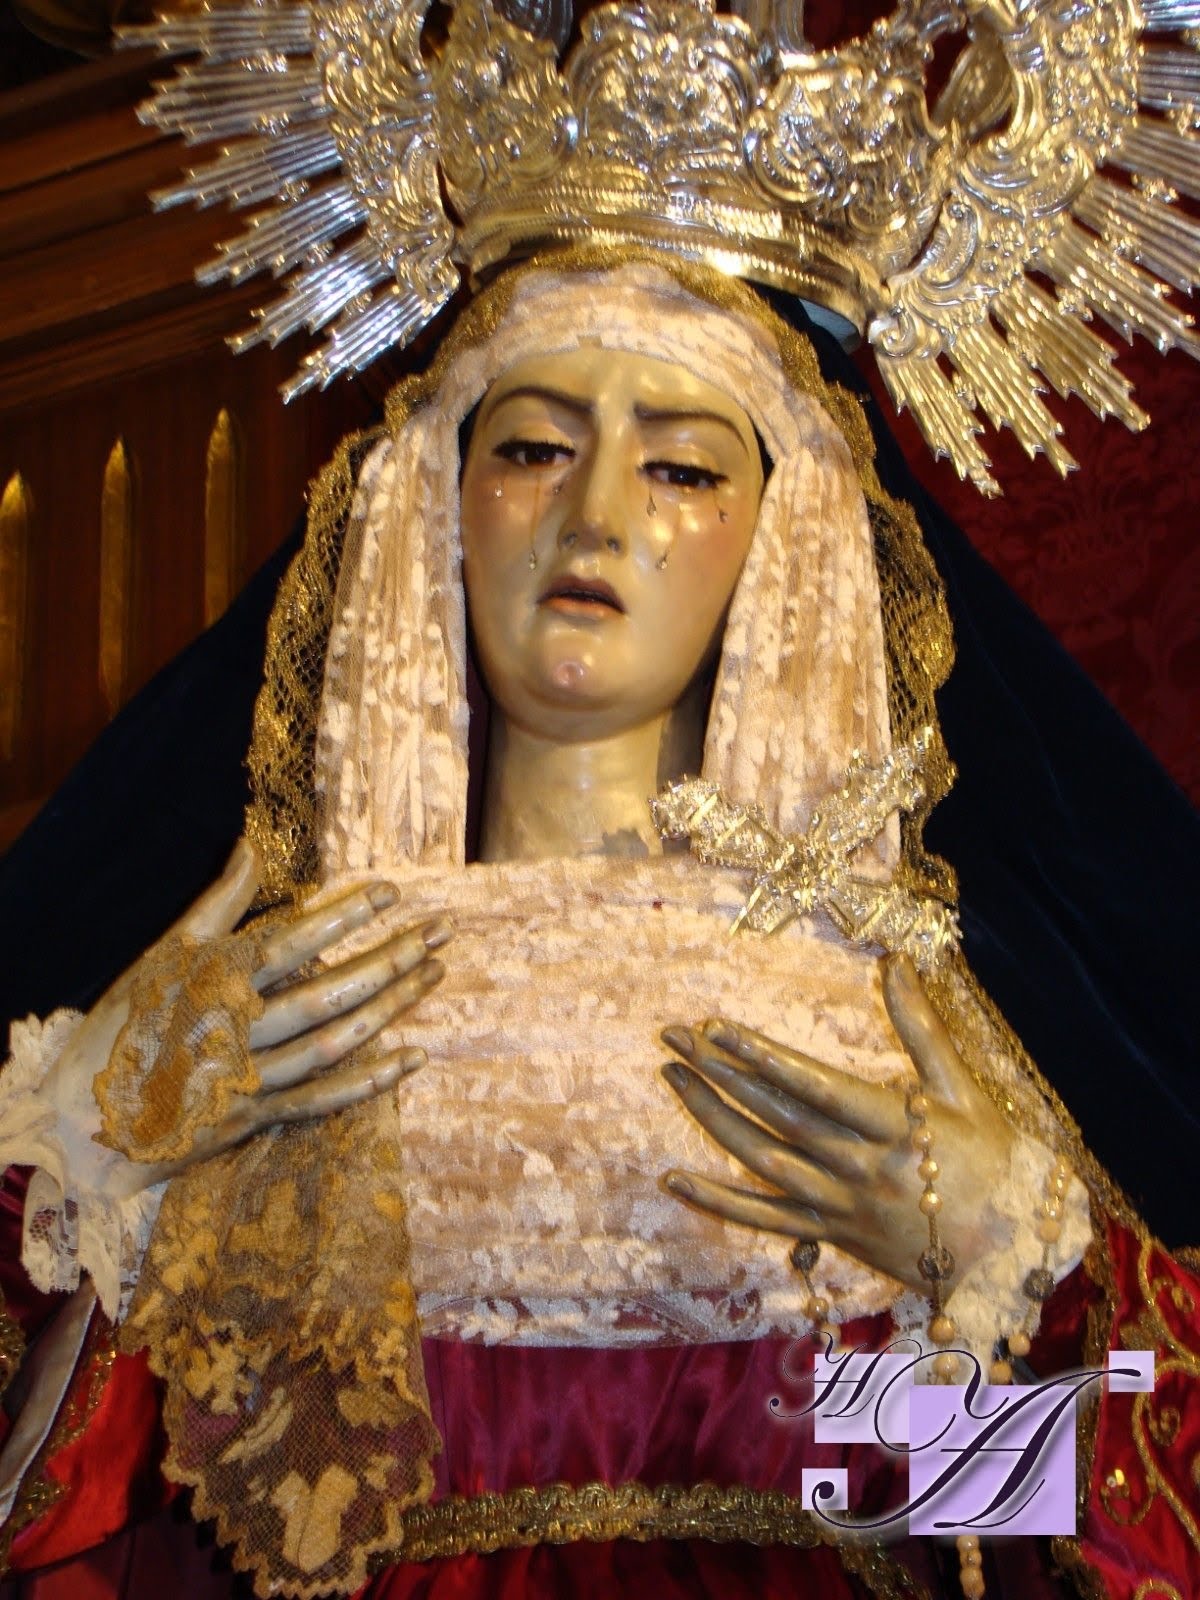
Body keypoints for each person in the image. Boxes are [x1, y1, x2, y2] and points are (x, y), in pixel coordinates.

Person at [0, 253, 1196, 1600]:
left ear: (786, 538)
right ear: (432, 505)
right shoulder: (274, 1029)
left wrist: (1016, 1264)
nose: (595, 513)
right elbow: (101, 1534)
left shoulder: (890, 1038)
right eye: (531, 449)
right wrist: (81, 1146)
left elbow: (959, 1530)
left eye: (680, 467)